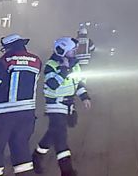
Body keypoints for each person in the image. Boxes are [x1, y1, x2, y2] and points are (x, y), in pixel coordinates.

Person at [0, 34, 42, 175]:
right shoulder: (36, 61)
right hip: (27, 115)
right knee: (21, 150)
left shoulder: (5, 61)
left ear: (8, 48)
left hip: (2, 116)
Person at [32, 37, 90, 176]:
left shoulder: (75, 64)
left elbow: (78, 83)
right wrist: (64, 69)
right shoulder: (51, 65)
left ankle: (36, 156)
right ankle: (67, 171)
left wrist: (84, 97)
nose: (74, 52)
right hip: (55, 105)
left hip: (68, 104)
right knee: (61, 137)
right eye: (72, 50)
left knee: (53, 133)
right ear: (62, 50)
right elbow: (52, 84)